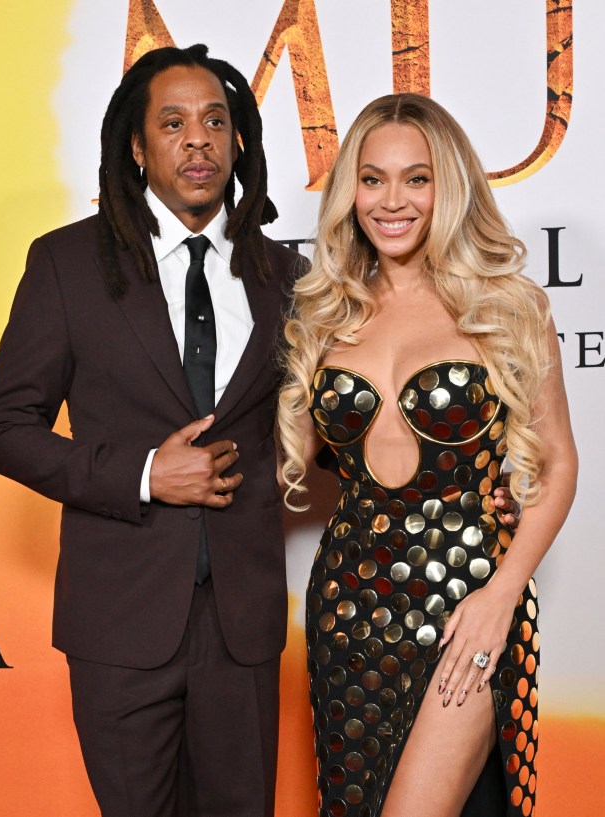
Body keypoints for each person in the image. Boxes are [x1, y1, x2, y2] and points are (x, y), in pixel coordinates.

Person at [0, 44, 303, 817]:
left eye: (216, 121)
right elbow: (5, 428)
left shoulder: (285, 276)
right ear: (137, 144)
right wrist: (143, 474)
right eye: (173, 122)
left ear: (238, 141)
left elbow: (322, 424)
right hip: (119, 623)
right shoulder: (67, 265)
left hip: (242, 628)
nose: (198, 140)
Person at [278, 93, 577, 817]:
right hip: (350, 605)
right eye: (372, 178)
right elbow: (300, 454)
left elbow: (559, 464)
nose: (392, 201)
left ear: (449, 186)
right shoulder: (324, 311)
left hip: (467, 599)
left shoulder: (507, 303)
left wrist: (500, 596)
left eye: (417, 178)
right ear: (351, 190)